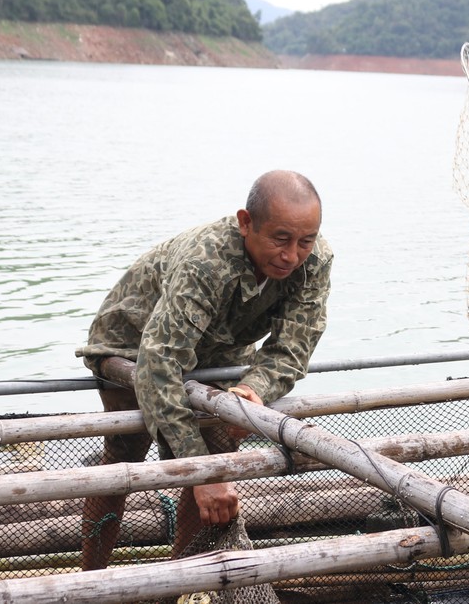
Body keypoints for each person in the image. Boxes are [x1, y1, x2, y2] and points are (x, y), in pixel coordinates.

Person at [75, 170, 333, 570]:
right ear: (246, 223)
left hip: (218, 354)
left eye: (305, 241)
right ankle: (90, 582)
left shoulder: (313, 261)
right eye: (280, 239)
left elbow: (292, 347)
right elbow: (158, 365)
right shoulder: (206, 263)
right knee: (125, 459)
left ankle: (185, 584)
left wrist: (254, 389)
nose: (291, 255)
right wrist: (201, 474)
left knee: (220, 450)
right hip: (131, 347)